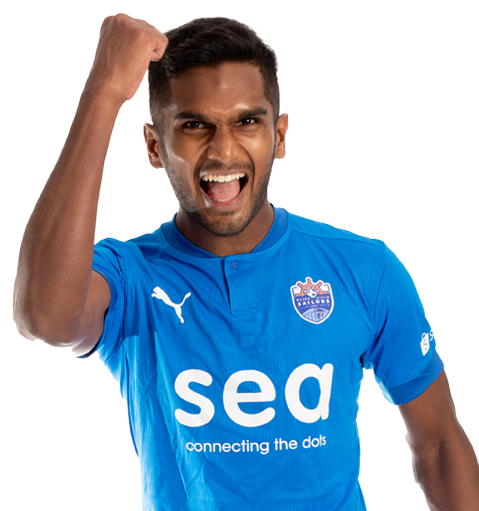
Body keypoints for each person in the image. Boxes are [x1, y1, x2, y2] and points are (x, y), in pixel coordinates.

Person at [12, 13, 479, 511]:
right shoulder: (130, 279)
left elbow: (438, 445)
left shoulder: (365, 269)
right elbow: (45, 319)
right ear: (154, 146)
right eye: (194, 125)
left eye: (247, 122)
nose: (223, 150)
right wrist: (103, 91)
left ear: (280, 136)